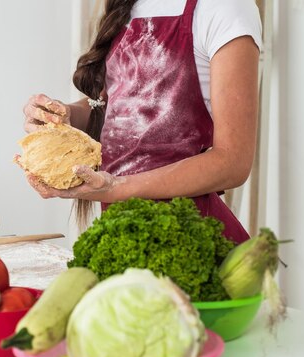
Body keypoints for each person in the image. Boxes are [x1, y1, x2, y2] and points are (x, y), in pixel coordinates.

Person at [19, 0, 262, 244]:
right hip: (122, 232)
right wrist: (65, 118)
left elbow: (233, 162)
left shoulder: (224, 7)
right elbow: (119, 108)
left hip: (192, 239)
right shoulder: (128, 5)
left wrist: (116, 187)